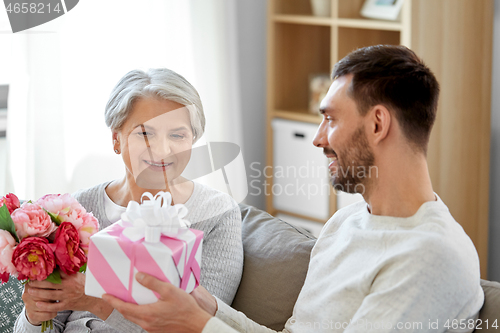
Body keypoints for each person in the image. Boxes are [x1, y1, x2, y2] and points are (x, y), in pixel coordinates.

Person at [101, 45, 484, 333]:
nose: (317, 139)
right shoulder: (345, 223)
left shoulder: (430, 257)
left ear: (378, 124)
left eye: (330, 119)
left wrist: (198, 325)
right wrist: (204, 305)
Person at [14, 68, 244, 332]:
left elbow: (198, 326)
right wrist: (33, 315)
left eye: (178, 135)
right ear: (116, 139)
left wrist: (92, 299)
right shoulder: (76, 211)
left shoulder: (217, 213)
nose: (161, 150)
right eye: (145, 134)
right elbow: (46, 322)